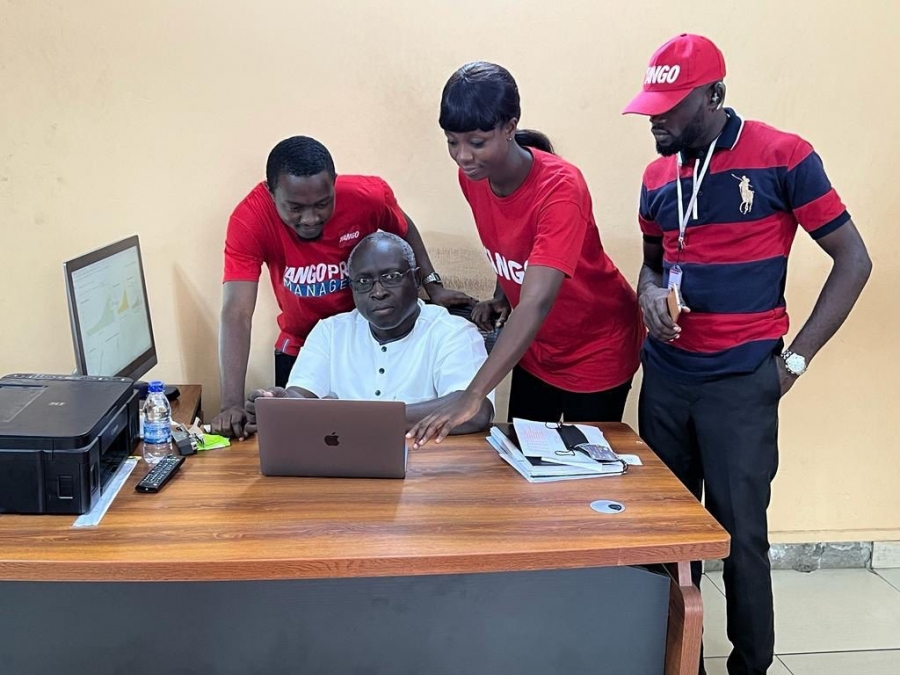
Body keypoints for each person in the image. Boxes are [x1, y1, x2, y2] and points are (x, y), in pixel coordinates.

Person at [623, 34, 871, 675]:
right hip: (667, 380)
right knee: (668, 538)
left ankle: (750, 666)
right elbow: (653, 266)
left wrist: (795, 362)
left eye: (669, 107)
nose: (655, 119)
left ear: (715, 96)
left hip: (741, 381)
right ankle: (679, 663)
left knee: (740, 539)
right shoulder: (656, 176)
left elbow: (854, 260)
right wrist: (649, 295)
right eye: (650, 106)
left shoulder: (784, 156)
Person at [407, 61, 644, 447]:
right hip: (537, 347)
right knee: (522, 456)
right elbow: (513, 244)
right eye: (452, 141)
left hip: (596, 346)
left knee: (585, 464)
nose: (463, 156)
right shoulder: (474, 178)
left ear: (510, 127)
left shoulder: (561, 189)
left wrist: (472, 394)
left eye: (477, 142)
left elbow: (535, 302)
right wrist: (503, 295)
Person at [212, 136, 473, 439]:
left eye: (323, 204)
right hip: (308, 343)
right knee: (306, 442)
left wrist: (433, 285)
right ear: (272, 193)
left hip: (369, 332)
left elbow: (403, 229)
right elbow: (237, 312)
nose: (310, 218)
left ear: (334, 184)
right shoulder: (250, 220)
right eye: (295, 207)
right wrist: (231, 404)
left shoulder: (367, 197)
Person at [243, 232, 494, 435]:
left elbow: (476, 411)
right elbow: (302, 396)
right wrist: (281, 404)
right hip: (341, 469)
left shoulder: (453, 333)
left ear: (416, 279)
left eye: (391, 277)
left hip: (427, 472)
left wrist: (354, 418)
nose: (378, 292)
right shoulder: (330, 332)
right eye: (363, 282)